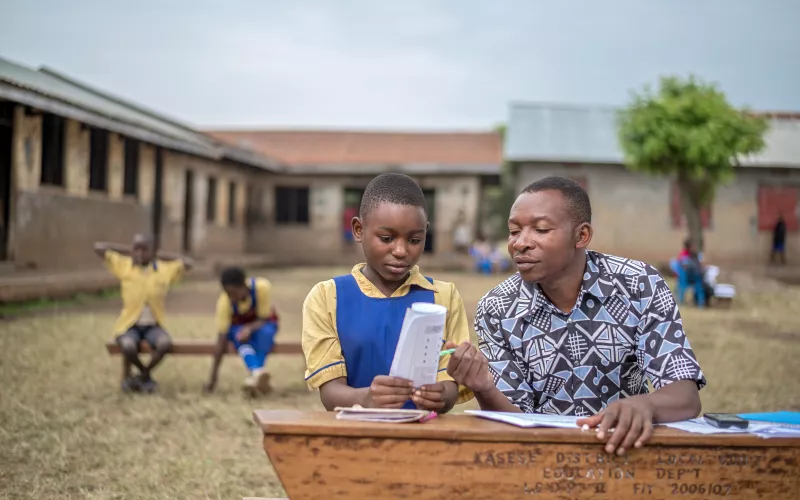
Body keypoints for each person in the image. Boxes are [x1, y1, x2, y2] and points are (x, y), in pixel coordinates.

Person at [445, 176, 705, 456]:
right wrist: (484, 388)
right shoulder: (498, 308)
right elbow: (515, 421)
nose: (520, 243)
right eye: (514, 231)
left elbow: (685, 397)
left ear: (581, 236)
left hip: (624, 452)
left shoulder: (639, 285)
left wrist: (645, 405)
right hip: (544, 458)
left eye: (541, 229)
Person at [302, 173, 473, 413]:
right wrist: (366, 399)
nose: (401, 250)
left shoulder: (443, 297)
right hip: (352, 431)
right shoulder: (328, 297)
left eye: (414, 240)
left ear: (425, 233)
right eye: (386, 238)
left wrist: (441, 396)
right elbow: (330, 393)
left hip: (424, 432)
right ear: (359, 230)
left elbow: (450, 385)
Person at [95, 234, 193, 393]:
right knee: (128, 346)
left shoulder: (163, 269)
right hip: (129, 325)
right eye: (136, 249)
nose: (139, 253)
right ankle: (145, 376)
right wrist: (129, 250)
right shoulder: (125, 266)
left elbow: (188, 263)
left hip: (153, 326)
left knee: (164, 344)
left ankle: (141, 376)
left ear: (153, 251)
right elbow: (98, 247)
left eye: (144, 249)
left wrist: (159, 255)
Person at [205, 267, 279, 397]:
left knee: (266, 333)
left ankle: (255, 374)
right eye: (228, 293)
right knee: (238, 335)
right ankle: (257, 374)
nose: (231, 297)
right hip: (239, 331)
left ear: (244, 286)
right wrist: (213, 378)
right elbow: (222, 336)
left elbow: (264, 318)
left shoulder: (262, 287)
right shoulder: (224, 302)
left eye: (233, 293)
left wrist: (249, 328)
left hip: (263, 325)